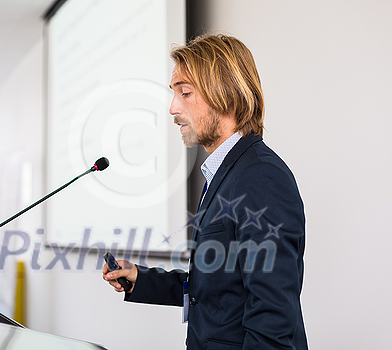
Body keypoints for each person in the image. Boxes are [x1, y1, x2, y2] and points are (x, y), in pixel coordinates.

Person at [103, 33, 308, 350]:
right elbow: (218, 284)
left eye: (185, 93)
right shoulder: (226, 172)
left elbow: (273, 318)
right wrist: (141, 279)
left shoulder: (261, 177)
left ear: (225, 93)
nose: (173, 108)